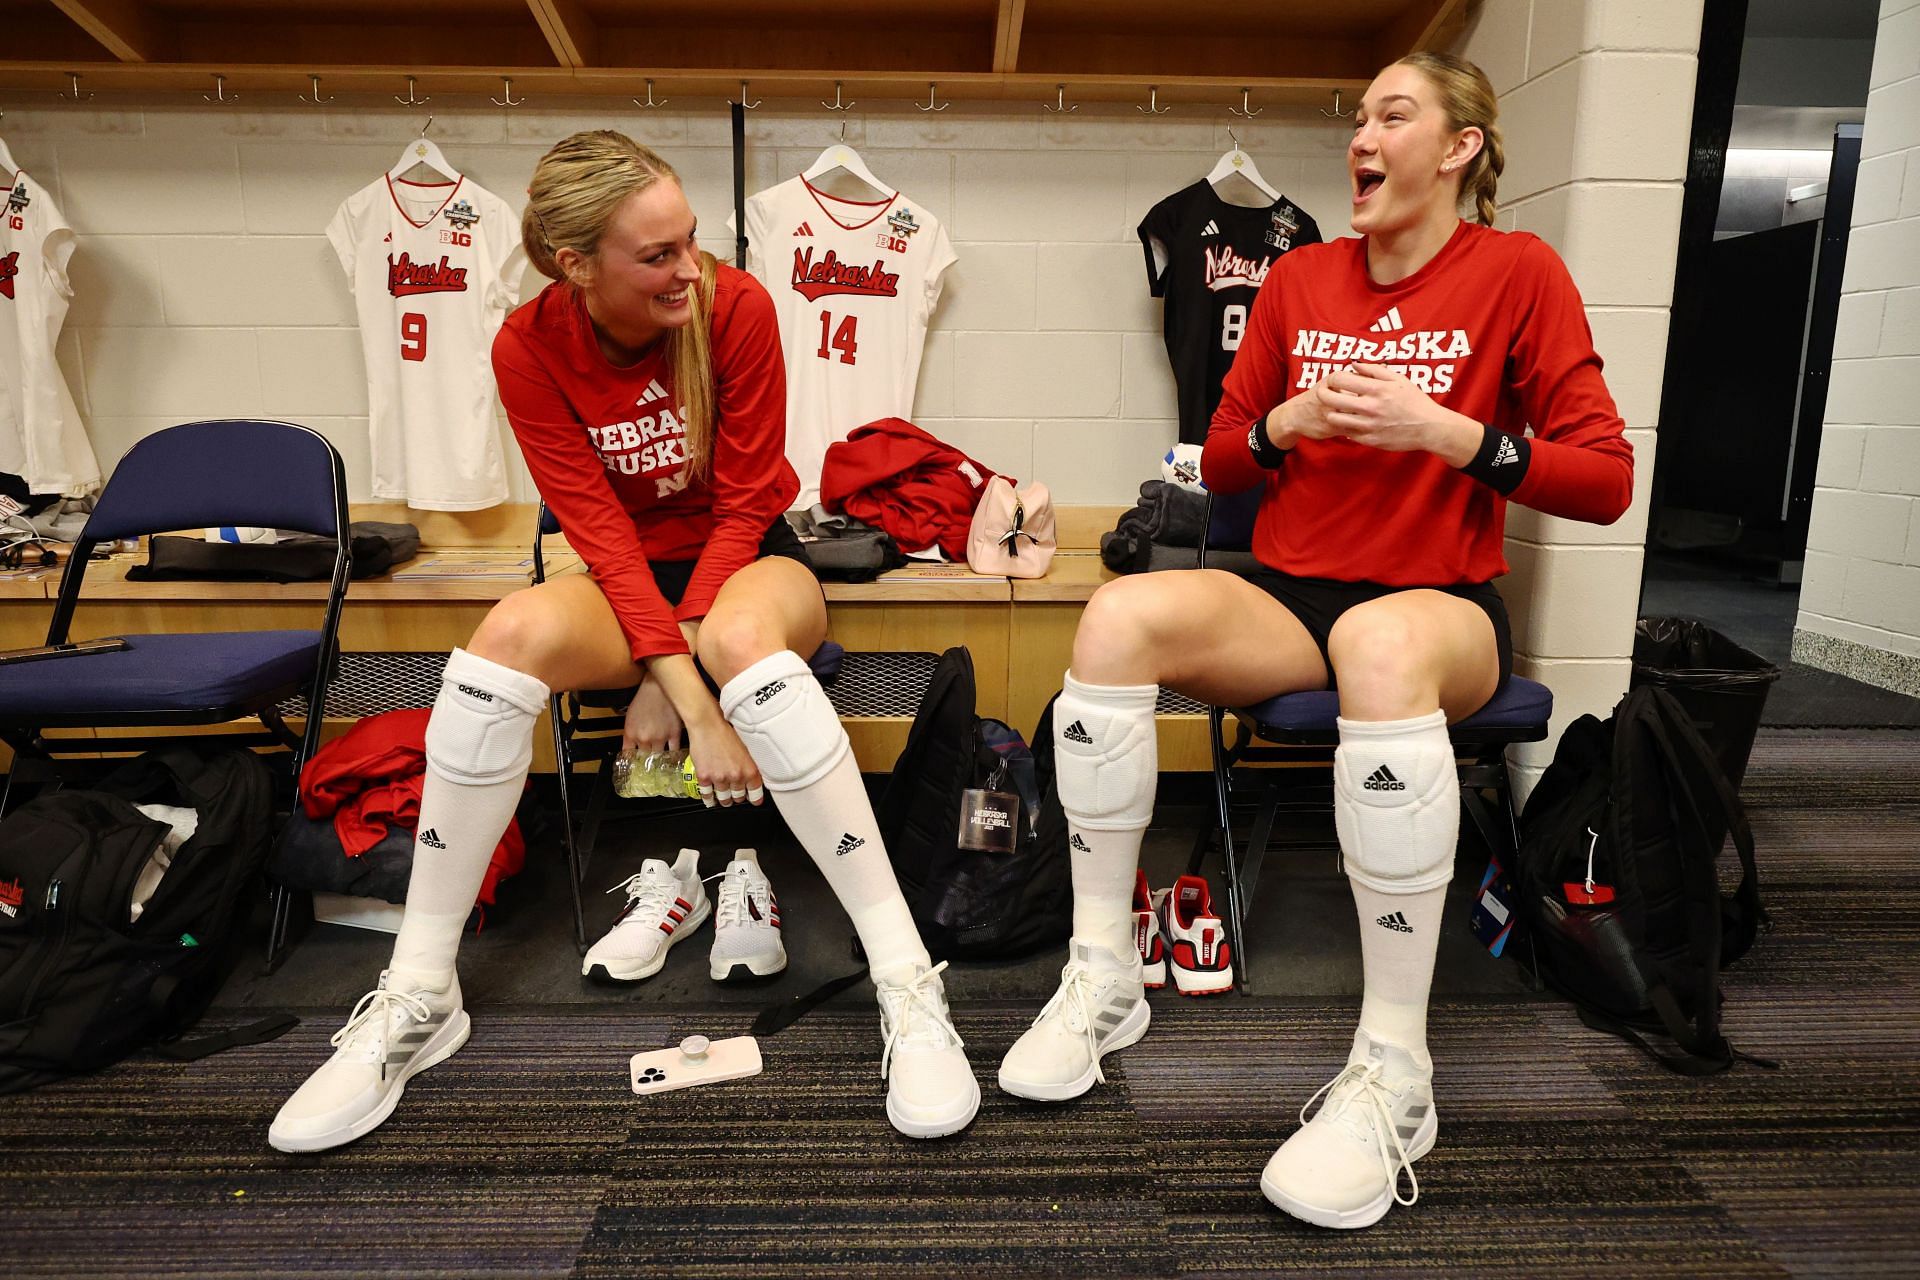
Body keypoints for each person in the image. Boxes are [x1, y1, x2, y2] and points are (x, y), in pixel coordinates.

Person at [996, 52, 1633, 1228]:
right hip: (1292, 596)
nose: (1362, 137)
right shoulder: (1298, 278)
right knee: (1118, 615)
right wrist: (1281, 422)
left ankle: (1398, 1069)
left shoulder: (1518, 273)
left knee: (1383, 647)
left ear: (1459, 148)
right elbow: (1225, 452)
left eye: (1393, 115)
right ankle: (1102, 975)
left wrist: (1456, 434)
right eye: (1356, 118)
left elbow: (1604, 481)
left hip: (1440, 609)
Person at [270, 131, 978, 1151]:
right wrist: (681, 692)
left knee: (742, 636)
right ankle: (419, 997)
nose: (689, 268)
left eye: (691, 240)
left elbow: (741, 507)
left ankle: (907, 983)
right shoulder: (524, 346)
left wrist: (676, 675)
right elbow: (599, 538)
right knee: (503, 636)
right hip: (619, 575)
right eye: (657, 256)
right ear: (575, 264)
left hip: (746, 559)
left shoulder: (735, 306)